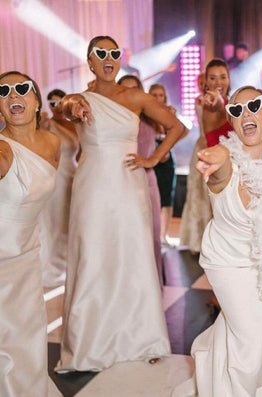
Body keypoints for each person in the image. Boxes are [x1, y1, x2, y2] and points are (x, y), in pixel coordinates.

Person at [56, 35, 184, 373]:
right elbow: (63, 107)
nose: (109, 58)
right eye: (101, 53)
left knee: (133, 256)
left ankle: (142, 338)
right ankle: (90, 342)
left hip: (129, 185)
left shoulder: (136, 96)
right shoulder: (79, 98)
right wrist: (74, 107)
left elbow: (176, 127)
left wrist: (153, 158)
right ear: (90, 60)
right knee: (95, 255)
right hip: (92, 186)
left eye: (114, 53)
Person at [179, 86, 262, 396]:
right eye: (236, 110)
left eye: (253, 106)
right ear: (232, 123)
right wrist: (215, 154)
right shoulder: (225, 167)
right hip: (229, 262)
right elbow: (219, 159)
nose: (245, 113)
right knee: (251, 337)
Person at [0, 71, 62, 396]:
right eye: (3, 91)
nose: (13, 95)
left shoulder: (53, 143)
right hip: (2, 258)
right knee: (6, 339)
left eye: (21, 88)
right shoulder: (3, 150)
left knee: (29, 333)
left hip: (27, 253)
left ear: (36, 99)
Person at [118, 75, 163, 281]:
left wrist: (153, 158)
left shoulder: (150, 118)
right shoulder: (112, 121)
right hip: (120, 183)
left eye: (134, 90)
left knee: (151, 235)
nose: (130, 95)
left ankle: (153, 286)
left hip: (147, 181)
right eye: (124, 90)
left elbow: (180, 128)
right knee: (125, 237)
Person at [39, 88, 79, 288]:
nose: (55, 107)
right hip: (56, 178)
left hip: (75, 175)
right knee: (56, 223)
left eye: (59, 102)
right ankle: (53, 269)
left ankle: (68, 266)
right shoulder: (47, 124)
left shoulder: (75, 124)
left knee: (71, 222)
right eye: (51, 103)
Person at [179, 72, 213, 253]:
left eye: (204, 81)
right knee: (197, 191)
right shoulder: (199, 101)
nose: (202, 84)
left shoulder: (217, 101)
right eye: (199, 82)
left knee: (210, 193)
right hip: (201, 145)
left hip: (214, 145)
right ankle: (198, 239)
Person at [148, 84, 183, 247]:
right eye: (154, 95)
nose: (157, 98)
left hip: (167, 160)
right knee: (154, 199)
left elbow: (183, 131)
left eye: (161, 95)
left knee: (167, 198)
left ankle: (165, 235)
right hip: (151, 160)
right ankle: (154, 235)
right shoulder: (145, 116)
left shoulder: (170, 115)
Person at [202, 58, 232, 147]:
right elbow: (219, 106)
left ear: (228, 79)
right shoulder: (210, 106)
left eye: (223, 77)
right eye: (212, 78)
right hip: (216, 160)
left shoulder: (231, 102)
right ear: (206, 82)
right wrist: (218, 99)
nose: (218, 82)